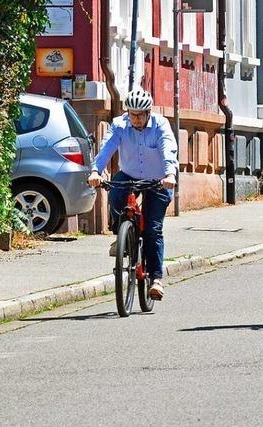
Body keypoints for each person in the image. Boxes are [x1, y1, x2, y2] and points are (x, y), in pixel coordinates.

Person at [87, 88, 178, 301]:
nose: (135, 118)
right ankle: (120, 233)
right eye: (132, 114)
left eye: (139, 114)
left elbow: (168, 150)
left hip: (158, 180)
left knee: (153, 230)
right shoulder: (120, 124)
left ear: (148, 112)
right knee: (115, 189)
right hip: (130, 174)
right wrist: (95, 171)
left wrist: (169, 174)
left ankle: (156, 279)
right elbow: (106, 148)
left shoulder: (160, 125)